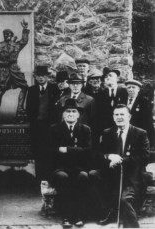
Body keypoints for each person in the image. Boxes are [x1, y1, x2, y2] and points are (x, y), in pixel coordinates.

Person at [95, 104, 150, 228]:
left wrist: (121, 160)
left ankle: (132, 225)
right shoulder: (108, 133)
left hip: (132, 175)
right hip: (112, 173)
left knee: (124, 200)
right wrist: (109, 156)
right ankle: (112, 210)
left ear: (129, 117)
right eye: (116, 114)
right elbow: (98, 154)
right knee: (93, 175)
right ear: (113, 117)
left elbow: (145, 157)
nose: (119, 117)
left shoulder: (140, 133)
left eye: (122, 114)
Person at [50, 99, 92, 228]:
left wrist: (67, 149)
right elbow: (51, 150)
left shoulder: (85, 129)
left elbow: (88, 151)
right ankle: (66, 216)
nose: (71, 114)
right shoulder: (54, 129)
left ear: (78, 115)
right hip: (60, 167)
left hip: (79, 167)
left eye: (74, 111)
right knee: (63, 178)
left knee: (83, 177)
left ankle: (79, 216)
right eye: (67, 111)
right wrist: (77, 150)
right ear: (63, 114)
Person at [26, 66, 61, 182]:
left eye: (43, 76)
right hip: (37, 127)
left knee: (51, 152)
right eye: (38, 76)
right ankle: (40, 180)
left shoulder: (54, 88)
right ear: (35, 77)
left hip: (51, 127)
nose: (41, 78)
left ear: (47, 77)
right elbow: (29, 109)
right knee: (38, 153)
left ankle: (51, 178)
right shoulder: (31, 90)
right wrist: (34, 123)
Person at [0, 20, 30, 117]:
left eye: (8, 34)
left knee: (24, 86)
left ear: (11, 35)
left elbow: (24, 41)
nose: (6, 35)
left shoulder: (16, 45)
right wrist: (3, 63)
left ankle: (20, 110)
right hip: (3, 70)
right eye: (5, 34)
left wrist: (25, 29)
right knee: (0, 92)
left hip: (14, 68)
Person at [96, 69, 127, 139]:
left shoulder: (124, 92)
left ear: (117, 78)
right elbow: (99, 115)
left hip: (121, 127)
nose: (108, 78)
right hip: (106, 129)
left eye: (111, 76)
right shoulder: (101, 94)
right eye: (106, 77)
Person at [125, 79, 155, 147]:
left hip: (137, 135)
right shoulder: (122, 100)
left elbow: (148, 122)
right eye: (129, 87)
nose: (131, 89)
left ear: (138, 89)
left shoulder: (144, 102)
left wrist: (151, 142)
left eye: (133, 87)